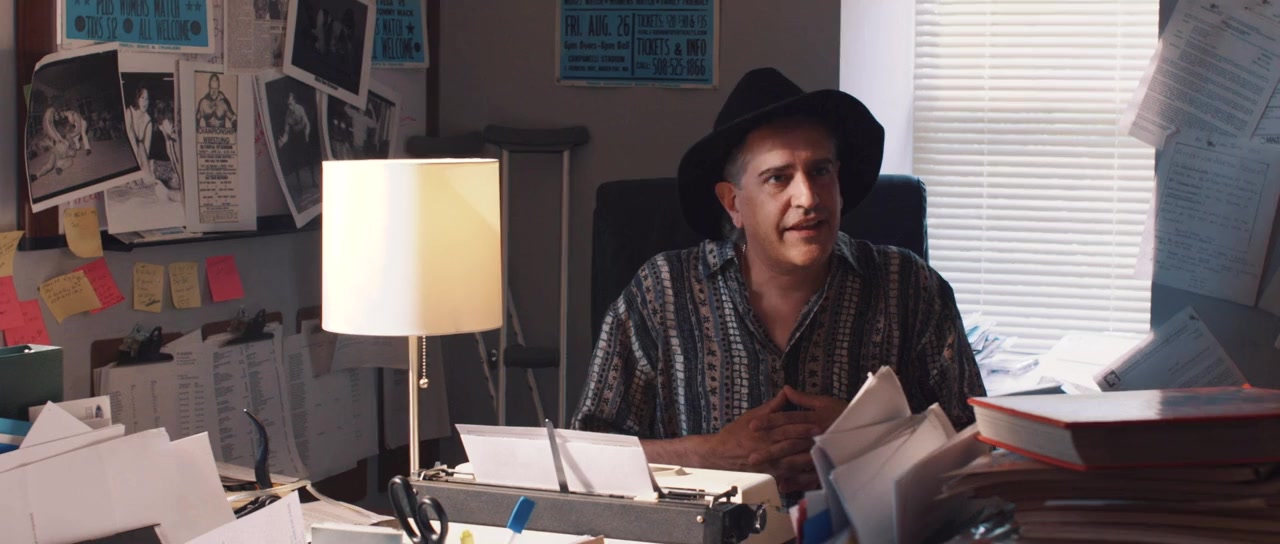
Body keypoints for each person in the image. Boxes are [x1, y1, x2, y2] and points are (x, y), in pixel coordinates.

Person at [570, 68, 985, 494]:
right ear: (733, 203)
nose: (808, 197)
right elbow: (585, 456)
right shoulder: (662, 292)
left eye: (820, 171)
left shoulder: (909, 287)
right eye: (778, 178)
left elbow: (979, 447)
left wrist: (867, 439)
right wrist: (712, 454)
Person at [125, 85, 153, 176]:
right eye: (142, 98)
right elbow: (131, 140)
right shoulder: (129, 112)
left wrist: (143, 168)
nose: (145, 102)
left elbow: (146, 150)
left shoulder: (148, 121)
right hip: (127, 152)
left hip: (140, 157)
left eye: (147, 99)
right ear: (137, 99)